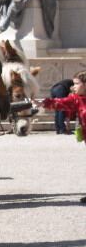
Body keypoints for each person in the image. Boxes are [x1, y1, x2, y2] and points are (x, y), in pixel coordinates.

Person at [42, 70, 86, 203]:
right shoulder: (76, 99)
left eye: (77, 84)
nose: (73, 87)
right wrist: (43, 103)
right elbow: (61, 103)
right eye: (73, 84)